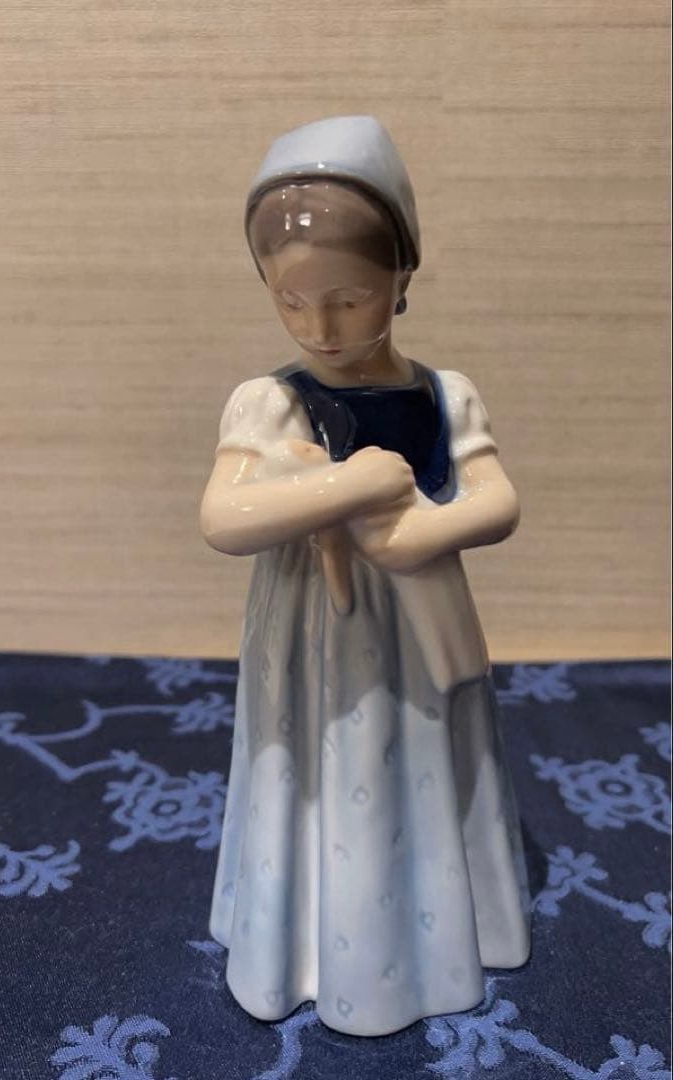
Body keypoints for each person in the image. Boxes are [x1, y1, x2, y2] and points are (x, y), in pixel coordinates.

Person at [199, 115, 531, 1037]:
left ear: (402, 279)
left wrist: (415, 534)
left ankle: (430, 933)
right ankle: (312, 935)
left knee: (419, 760)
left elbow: (497, 500)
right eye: (290, 302)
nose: (321, 327)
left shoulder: (444, 394)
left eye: (348, 299)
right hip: (310, 632)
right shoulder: (268, 401)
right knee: (318, 767)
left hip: (421, 627)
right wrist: (348, 484)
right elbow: (223, 518)